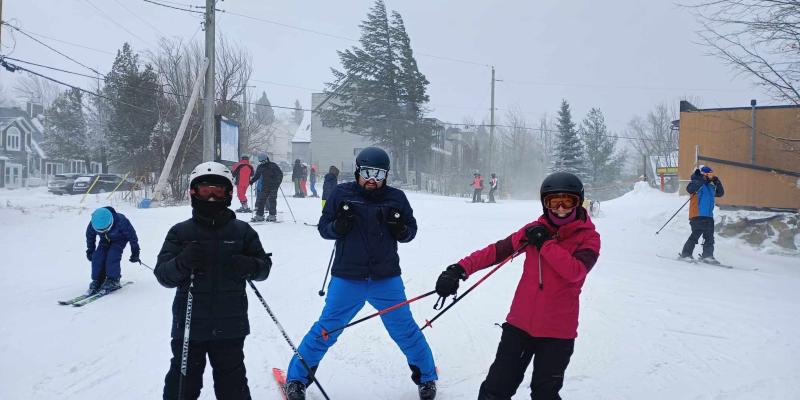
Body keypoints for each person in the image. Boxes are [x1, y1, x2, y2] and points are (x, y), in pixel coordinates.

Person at [284, 147, 438, 400]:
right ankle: (296, 380)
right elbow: (324, 228)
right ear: (357, 171)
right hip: (348, 278)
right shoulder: (342, 193)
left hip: (386, 279)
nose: (372, 180)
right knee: (326, 330)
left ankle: (427, 378)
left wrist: (400, 229)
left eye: (379, 174)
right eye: (367, 173)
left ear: (386, 175)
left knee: (405, 330)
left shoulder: (396, 198)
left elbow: (410, 231)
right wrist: (339, 226)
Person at [435, 172, 601, 400]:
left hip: (558, 333)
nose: (561, 209)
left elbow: (575, 272)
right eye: (554, 202)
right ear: (544, 204)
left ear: (578, 202)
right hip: (519, 326)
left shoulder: (589, 238)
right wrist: (459, 269)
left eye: (568, 202)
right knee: (495, 390)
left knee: (545, 395)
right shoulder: (533, 230)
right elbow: (496, 251)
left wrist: (545, 244)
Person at [154, 161, 272, 400]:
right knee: (181, 386)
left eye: (217, 191)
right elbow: (163, 275)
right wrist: (182, 262)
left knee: (233, 387)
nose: (210, 198)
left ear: (228, 194)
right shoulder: (180, 232)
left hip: (230, 326)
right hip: (189, 327)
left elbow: (264, 269)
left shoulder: (242, 232)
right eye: (205, 191)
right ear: (193, 193)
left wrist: (250, 266)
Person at [85, 206, 140, 294]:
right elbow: (90, 237)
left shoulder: (121, 221)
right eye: (101, 231)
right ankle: (98, 280)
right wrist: (90, 250)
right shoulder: (93, 223)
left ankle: (113, 280)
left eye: (105, 229)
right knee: (97, 256)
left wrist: (135, 252)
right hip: (105, 240)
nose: (103, 231)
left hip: (120, 239)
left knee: (112, 255)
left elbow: (132, 237)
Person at [680, 165, 724, 263]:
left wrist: (717, 181)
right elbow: (689, 189)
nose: (710, 176)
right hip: (697, 214)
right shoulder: (696, 182)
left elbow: (720, 193)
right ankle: (686, 254)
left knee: (709, 237)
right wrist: (701, 179)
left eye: (711, 174)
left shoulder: (710, 186)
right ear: (703, 174)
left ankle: (707, 256)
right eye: (708, 174)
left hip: (708, 215)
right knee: (696, 234)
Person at [250, 154, 284, 222]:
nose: (262, 163)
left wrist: (277, 182)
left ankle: (272, 215)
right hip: (265, 186)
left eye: (263, 161)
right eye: (261, 161)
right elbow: (257, 175)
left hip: (273, 186)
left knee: (272, 200)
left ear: (267, 159)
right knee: (261, 200)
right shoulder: (260, 167)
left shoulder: (273, 165)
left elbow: (280, 174)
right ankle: (259, 215)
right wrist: (252, 181)